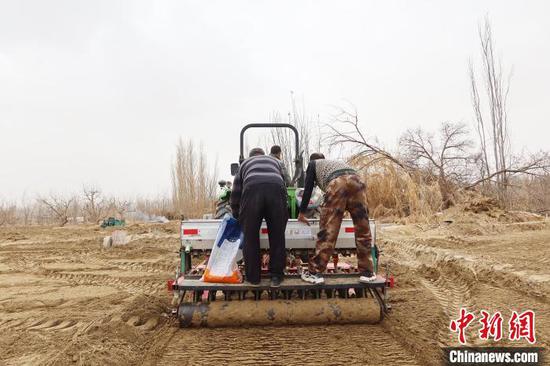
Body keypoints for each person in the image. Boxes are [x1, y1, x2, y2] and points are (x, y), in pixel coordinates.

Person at [297, 153, 376, 284]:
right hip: (357, 182)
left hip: (337, 183)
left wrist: (302, 213)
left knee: (328, 231)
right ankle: (367, 273)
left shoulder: (312, 165)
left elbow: (308, 190)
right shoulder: (333, 162)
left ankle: (315, 273)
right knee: (363, 228)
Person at [230, 147, 288, 287]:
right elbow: (284, 182)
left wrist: (238, 216)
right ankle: (276, 277)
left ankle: (254, 278)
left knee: (250, 237)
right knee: (277, 237)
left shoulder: (244, 164)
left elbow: (236, 191)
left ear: (250, 156)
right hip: (276, 188)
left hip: (252, 189)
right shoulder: (275, 161)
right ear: (263, 155)